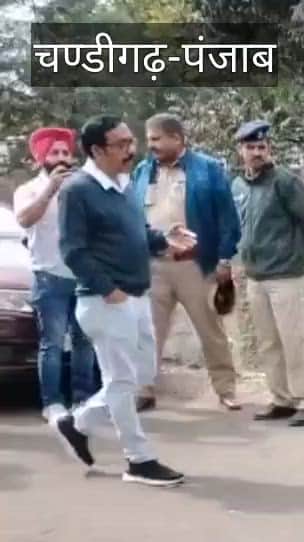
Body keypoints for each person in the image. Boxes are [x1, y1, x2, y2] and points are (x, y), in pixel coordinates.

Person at [51, 114, 194, 487]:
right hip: (106, 302)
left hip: (136, 296)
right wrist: (106, 288)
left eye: (131, 142)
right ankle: (139, 459)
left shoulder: (123, 184)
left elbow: (137, 232)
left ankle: (76, 423)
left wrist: (165, 239)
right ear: (97, 150)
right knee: (120, 380)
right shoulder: (77, 189)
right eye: (122, 145)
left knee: (141, 375)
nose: (132, 151)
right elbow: (73, 250)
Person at [128, 112, 242, 411]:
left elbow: (228, 219)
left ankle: (226, 389)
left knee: (210, 330)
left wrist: (224, 259)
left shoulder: (207, 170)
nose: (150, 145)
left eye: (156, 139)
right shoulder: (142, 171)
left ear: (176, 138)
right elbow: (133, 217)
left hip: (195, 265)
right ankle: (145, 389)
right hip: (154, 266)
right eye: (149, 139)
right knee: (149, 332)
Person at [230, 120, 304, 427]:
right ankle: (281, 399)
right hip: (255, 276)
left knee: (292, 340)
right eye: (250, 147)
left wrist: (293, 252)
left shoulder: (284, 181)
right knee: (268, 342)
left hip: (285, 275)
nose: (256, 152)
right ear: (240, 151)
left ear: (269, 150)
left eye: (261, 147)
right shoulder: (239, 186)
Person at [13, 126, 97, 421]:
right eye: (54, 153)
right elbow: (24, 219)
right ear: (41, 158)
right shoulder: (28, 190)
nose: (62, 157)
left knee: (84, 342)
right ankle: (52, 403)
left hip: (84, 277)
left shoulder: (82, 186)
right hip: (49, 278)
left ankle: (83, 400)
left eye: (65, 152)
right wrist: (50, 188)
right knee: (51, 343)